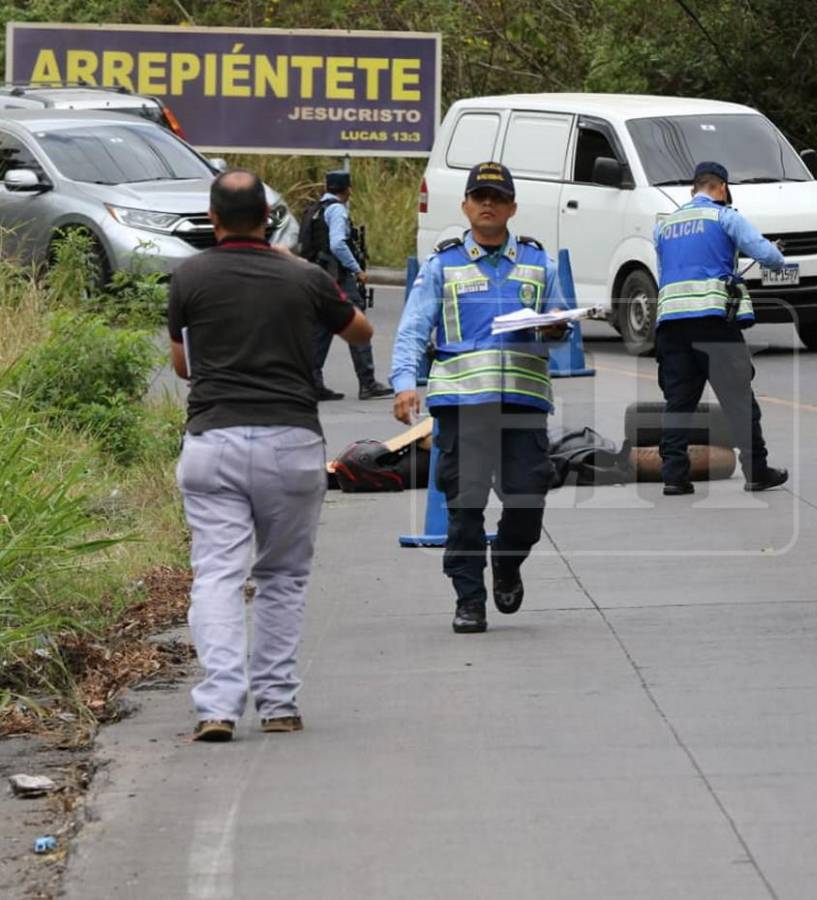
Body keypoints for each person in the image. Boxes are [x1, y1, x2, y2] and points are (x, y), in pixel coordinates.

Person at [168, 168, 375, 742]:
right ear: (269, 218)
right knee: (282, 576)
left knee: (216, 577)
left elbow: (183, 366)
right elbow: (361, 332)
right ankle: (279, 704)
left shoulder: (189, 276)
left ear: (213, 220)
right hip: (291, 442)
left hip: (214, 441)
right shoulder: (304, 276)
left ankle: (218, 707)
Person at [391, 161, 567, 634]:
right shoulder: (442, 265)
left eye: (497, 197)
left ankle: (507, 563)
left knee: (528, 500)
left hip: (524, 403)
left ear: (512, 207)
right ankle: (469, 599)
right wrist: (405, 382)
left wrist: (554, 326)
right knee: (464, 506)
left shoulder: (538, 263)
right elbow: (413, 329)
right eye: (479, 196)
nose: (487, 204)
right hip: (463, 404)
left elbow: (562, 332)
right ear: (466, 205)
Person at [653, 160, 791, 496]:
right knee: (739, 400)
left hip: (670, 325)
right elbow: (767, 256)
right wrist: (779, 255)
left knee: (679, 402)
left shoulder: (665, 226)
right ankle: (757, 471)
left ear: (693, 189)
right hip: (712, 323)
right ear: (722, 188)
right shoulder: (725, 216)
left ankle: (674, 476)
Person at [309, 169, 392, 401]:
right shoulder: (336, 210)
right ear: (348, 189)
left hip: (320, 275)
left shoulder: (317, 209)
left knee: (322, 328)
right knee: (356, 324)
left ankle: (312, 382)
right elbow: (337, 243)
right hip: (338, 276)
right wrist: (356, 268)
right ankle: (367, 383)